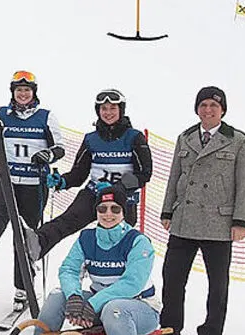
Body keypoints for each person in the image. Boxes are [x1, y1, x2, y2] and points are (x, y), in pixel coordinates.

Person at [5, 181, 160, 335]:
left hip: (140, 310)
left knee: (114, 309)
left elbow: (131, 283)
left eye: (115, 209)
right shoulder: (87, 238)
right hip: (99, 306)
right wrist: (75, 297)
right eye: (102, 209)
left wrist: (92, 304)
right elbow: (69, 269)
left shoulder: (138, 242)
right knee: (58, 295)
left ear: (124, 212)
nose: (108, 214)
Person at [156, 86, 245, 335]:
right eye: (203, 105)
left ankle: (210, 334)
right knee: (172, 277)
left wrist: (241, 221)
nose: (208, 110)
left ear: (222, 109)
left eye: (213, 105)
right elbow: (174, 177)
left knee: (217, 283)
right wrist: (167, 212)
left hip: (218, 223)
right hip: (184, 220)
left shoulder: (239, 141)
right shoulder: (185, 138)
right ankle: (170, 329)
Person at [23, 88, 152, 260]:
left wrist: (117, 188)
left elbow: (144, 173)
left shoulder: (134, 137)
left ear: (121, 110)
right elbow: (79, 173)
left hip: (122, 199)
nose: (108, 113)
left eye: (113, 108)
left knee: (116, 245)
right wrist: (62, 181)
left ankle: (121, 278)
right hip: (94, 193)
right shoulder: (91, 139)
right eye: (103, 109)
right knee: (67, 220)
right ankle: (38, 243)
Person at [0, 70, 64, 310]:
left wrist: (47, 155)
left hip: (34, 184)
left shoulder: (46, 117)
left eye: (27, 90)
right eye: (19, 90)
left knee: (25, 234)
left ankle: (23, 287)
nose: (23, 94)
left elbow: (59, 147)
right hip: (7, 180)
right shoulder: (1, 115)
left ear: (33, 92)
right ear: (13, 92)